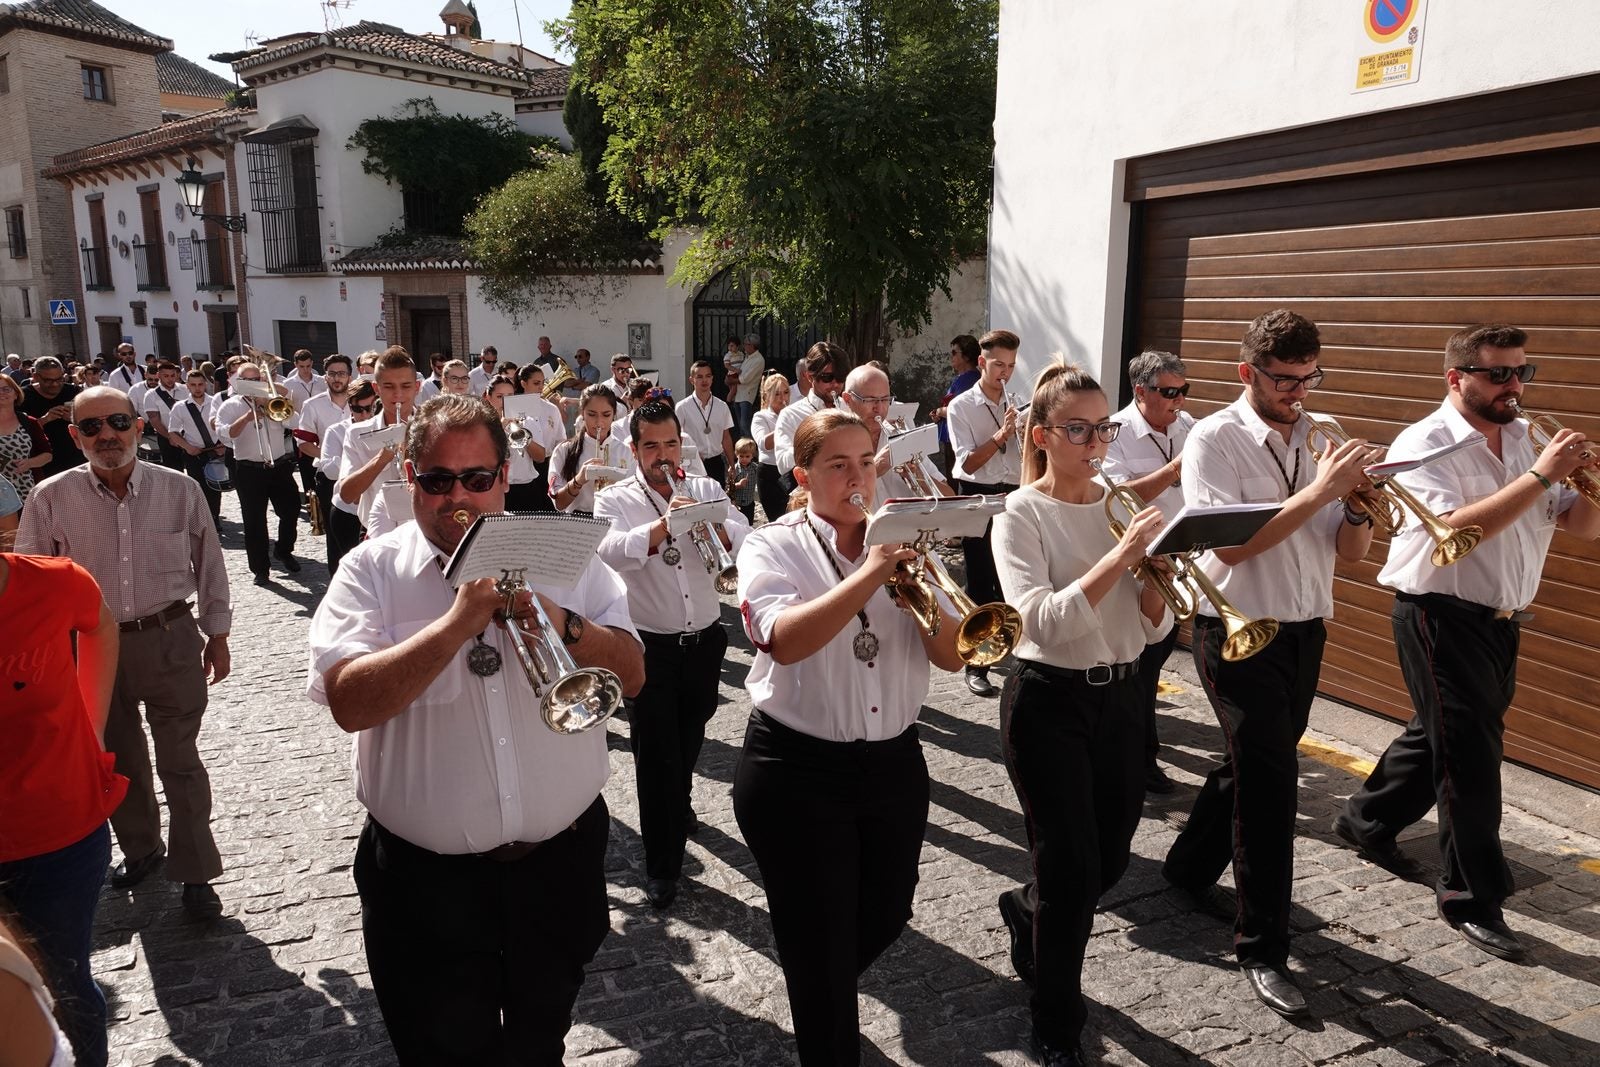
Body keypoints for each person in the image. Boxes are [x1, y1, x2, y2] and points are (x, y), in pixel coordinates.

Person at [306, 394, 644, 1065]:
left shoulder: (564, 553)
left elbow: (632, 673)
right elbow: (349, 700)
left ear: (505, 474)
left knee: (537, 1044)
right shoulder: (371, 570)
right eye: (437, 480)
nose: (457, 495)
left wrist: (561, 620)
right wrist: (457, 622)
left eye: (477, 478)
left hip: (557, 868)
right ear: (411, 475)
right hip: (424, 887)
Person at [1336, 325, 1600, 961]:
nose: (1515, 386)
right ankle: (1471, 897)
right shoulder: (1423, 444)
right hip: (1437, 612)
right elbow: (1453, 530)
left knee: (1441, 734)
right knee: (1472, 756)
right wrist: (1540, 477)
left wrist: (1587, 481)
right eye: (1499, 374)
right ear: (1457, 379)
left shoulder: (1527, 438)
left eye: (1522, 373)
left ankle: (1364, 821)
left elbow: (1582, 529)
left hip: (1502, 619)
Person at [1161, 310, 1378, 1019]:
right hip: (1234, 629)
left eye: (1309, 377)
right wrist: (1321, 489)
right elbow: (1232, 547)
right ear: (1246, 372)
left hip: (1306, 625)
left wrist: (1357, 509)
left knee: (1255, 759)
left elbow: (1350, 556)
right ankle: (1262, 947)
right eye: (1284, 380)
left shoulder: (1327, 434)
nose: (1298, 392)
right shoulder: (1211, 440)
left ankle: (1188, 865)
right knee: (1270, 786)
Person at [733, 408, 963, 1066]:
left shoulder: (905, 541)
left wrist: (922, 586)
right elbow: (781, 638)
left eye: (866, 461)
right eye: (838, 464)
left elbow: (953, 656)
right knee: (824, 955)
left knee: (888, 912)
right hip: (795, 772)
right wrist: (873, 571)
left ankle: (818, 970)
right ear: (803, 475)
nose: (857, 476)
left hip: (892, 765)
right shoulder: (771, 545)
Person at [990, 360, 1173, 1066]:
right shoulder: (1021, 513)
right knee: (1071, 868)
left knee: (1112, 855)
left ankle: (1027, 910)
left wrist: (1153, 579)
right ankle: (1057, 1021)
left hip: (1124, 695)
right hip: (1050, 699)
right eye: (1079, 428)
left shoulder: (1118, 502)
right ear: (1042, 435)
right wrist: (1121, 556)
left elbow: (1154, 627)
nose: (1096, 440)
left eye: (1104, 426)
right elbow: (1040, 621)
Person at [17, 386, 233, 922]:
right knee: (118, 759)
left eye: (116, 422)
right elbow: (29, 577)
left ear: (138, 426)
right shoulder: (50, 497)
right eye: (91, 427)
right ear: (75, 436)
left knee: (180, 761)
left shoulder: (180, 490)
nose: (105, 435)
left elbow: (210, 564)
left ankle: (196, 871)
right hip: (89, 650)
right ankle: (141, 850)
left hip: (169, 638)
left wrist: (218, 632)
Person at [595, 401, 750, 908]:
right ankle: (663, 864)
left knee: (689, 736)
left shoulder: (704, 487)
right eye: (651, 447)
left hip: (705, 641)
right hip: (649, 647)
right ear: (634, 449)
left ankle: (679, 805)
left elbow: (744, 534)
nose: (663, 457)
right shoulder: (616, 499)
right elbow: (610, 551)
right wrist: (666, 524)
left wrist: (721, 529)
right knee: (654, 757)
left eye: (671, 444)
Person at [0, 552, 122, 1067]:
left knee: (65, 983)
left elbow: (101, 626)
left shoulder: (54, 583)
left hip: (59, 836)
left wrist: (93, 729)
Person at [1100, 349, 1196, 796]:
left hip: (1182, 554)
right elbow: (1117, 497)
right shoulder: (1116, 433)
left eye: (1183, 390)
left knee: (1155, 661)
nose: (1178, 400)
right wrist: (1175, 469)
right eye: (1169, 392)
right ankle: (1139, 757)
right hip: (1140, 559)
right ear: (1141, 391)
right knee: (1141, 666)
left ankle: (1139, 748)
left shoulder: (1190, 428)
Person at [946, 329, 1024, 698]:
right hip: (978, 494)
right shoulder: (961, 407)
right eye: (997, 365)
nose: (1004, 373)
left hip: (1014, 494)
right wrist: (1001, 435)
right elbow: (969, 464)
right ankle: (977, 664)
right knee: (980, 581)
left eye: (1010, 366)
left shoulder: (1017, 402)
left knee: (1011, 578)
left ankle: (1013, 649)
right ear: (981, 362)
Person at [216, 362, 302, 585]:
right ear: (240, 383)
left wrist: (273, 406)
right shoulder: (231, 406)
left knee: (291, 510)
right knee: (254, 521)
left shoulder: (274, 401)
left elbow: (295, 421)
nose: (255, 385)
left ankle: (283, 550)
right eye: (250, 381)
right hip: (248, 469)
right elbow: (226, 435)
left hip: (279, 466)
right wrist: (247, 416)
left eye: (259, 380)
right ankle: (260, 569)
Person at [337, 348, 420, 533]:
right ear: (376, 388)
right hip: (376, 534)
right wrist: (381, 459)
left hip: (422, 534)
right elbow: (347, 494)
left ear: (417, 387)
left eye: (406, 386)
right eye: (389, 386)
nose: (398, 394)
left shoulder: (432, 428)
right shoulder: (357, 433)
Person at [840, 364, 951, 502]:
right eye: (870, 400)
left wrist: (918, 477)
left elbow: (949, 497)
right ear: (847, 400)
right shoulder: (833, 443)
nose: (879, 408)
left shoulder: (904, 437)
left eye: (885, 399)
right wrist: (874, 468)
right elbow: (826, 498)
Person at [319, 380, 379, 574]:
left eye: (370, 409)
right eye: (357, 409)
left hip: (377, 510)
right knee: (347, 569)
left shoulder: (385, 428)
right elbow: (328, 469)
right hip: (348, 512)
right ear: (349, 406)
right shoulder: (337, 431)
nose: (364, 415)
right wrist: (354, 461)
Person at [295, 354, 354, 541]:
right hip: (328, 477)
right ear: (325, 377)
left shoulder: (361, 403)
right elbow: (303, 443)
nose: (337, 378)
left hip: (358, 471)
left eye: (342, 373)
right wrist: (329, 455)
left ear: (349, 377)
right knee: (335, 535)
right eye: (332, 373)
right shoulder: (312, 405)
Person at [775, 343, 848, 490]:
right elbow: (782, 463)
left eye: (840, 377)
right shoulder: (791, 415)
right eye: (827, 377)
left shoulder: (849, 408)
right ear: (809, 377)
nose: (835, 384)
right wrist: (814, 441)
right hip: (810, 494)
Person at [550, 384, 632, 515]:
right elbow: (559, 504)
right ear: (582, 413)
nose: (599, 422)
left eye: (606, 415)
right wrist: (579, 480)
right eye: (592, 414)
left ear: (614, 414)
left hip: (615, 522)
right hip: (578, 522)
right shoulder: (564, 450)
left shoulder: (627, 452)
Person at [164, 370, 226, 529]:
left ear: (205, 384)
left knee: (215, 487)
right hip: (194, 454)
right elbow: (173, 432)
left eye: (200, 384)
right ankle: (200, 519)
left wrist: (223, 444)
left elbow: (224, 426)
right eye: (193, 385)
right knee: (197, 487)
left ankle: (214, 517)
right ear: (187, 386)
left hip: (215, 450)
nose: (197, 388)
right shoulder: (180, 407)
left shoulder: (216, 403)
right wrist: (187, 447)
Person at [486, 379, 553, 513]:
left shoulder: (527, 421)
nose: (505, 402)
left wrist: (523, 436)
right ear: (489, 397)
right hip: (498, 488)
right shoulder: (484, 425)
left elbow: (540, 458)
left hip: (527, 488)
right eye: (500, 397)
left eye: (510, 397)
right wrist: (501, 427)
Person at [20, 357, 85, 481]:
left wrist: (74, 418)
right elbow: (17, 431)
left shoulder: (73, 391)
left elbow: (91, 422)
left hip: (75, 458)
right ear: (35, 376)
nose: (55, 384)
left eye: (59, 379)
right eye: (48, 381)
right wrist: (44, 420)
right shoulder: (23, 397)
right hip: (42, 461)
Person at [677, 361, 736, 486]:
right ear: (692, 380)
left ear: (712, 379)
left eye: (708, 376)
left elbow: (726, 437)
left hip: (716, 462)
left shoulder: (722, 406)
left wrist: (732, 464)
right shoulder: (682, 407)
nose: (704, 380)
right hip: (693, 462)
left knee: (716, 502)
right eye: (699, 377)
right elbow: (676, 437)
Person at [933, 335, 982, 478]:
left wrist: (940, 412)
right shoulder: (963, 378)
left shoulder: (969, 379)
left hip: (959, 438)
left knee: (955, 478)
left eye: (955, 353)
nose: (951, 356)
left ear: (966, 356)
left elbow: (961, 410)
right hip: (954, 436)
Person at [0, 374, 51, 503]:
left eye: (6, 389)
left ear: (16, 394)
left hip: (26, 494)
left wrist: (29, 463)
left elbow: (47, 455)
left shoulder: (29, 422)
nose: (1, 393)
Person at [751, 373, 790, 522]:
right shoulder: (760, 417)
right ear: (767, 395)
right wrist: (784, 423)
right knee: (778, 519)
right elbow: (764, 443)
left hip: (789, 471)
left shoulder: (793, 413)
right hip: (769, 473)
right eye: (777, 394)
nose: (783, 398)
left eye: (786, 392)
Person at [730, 333, 766, 439]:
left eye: (746, 344)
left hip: (747, 395)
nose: (744, 346)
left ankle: (751, 449)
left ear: (752, 345)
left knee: (745, 425)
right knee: (740, 426)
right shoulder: (747, 357)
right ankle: (743, 449)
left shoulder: (758, 359)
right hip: (739, 395)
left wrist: (731, 381)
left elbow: (745, 379)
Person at [728, 438, 759, 523]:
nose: (744, 459)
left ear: (752, 455)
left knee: (748, 523)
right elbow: (728, 488)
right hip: (736, 504)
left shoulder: (755, 468)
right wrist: (738, 484)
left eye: (747, 456)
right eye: (741, 456)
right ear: (736, 454)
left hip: (749, 503)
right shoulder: (734, 469)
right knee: (738, 523)